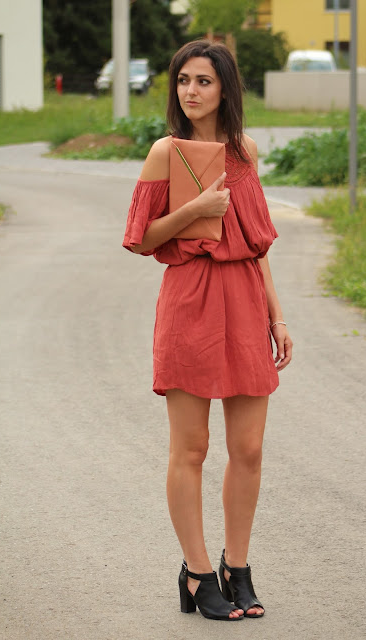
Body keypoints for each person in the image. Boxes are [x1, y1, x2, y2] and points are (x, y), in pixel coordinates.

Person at [122, 40, 293, 621]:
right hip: (189, 299)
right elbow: (141, 237)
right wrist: (194, 211)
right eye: (183, 81)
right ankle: (196, 573)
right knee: (191, 448)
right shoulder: (165, 152)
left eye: (203, 81)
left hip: (244, 299)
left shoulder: (244, 152)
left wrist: (276, 315)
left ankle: (236, 567)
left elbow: (258, 244)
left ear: (225, 89)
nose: (190, 91)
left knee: (249, 448)